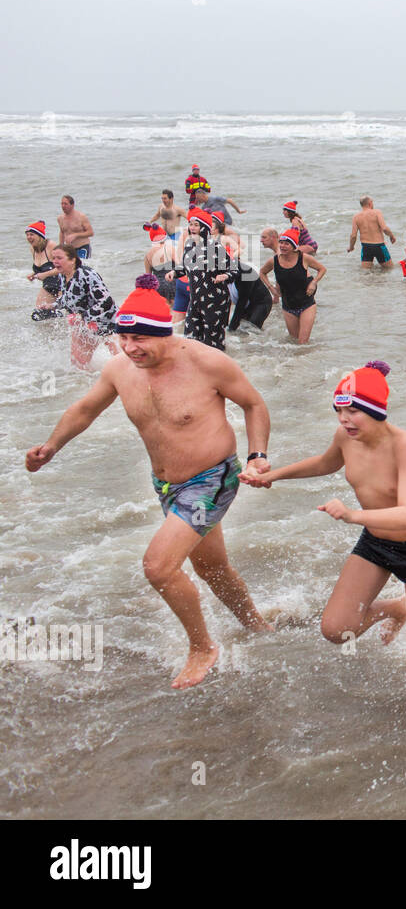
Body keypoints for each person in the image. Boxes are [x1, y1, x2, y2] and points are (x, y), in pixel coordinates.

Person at [26, 274, 274, 688]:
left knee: (158, 568)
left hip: (213, 477)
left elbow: (253, 403)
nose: (130, 348)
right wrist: (52, 446)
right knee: (212, 567)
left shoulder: (205, 362)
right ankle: (256, 626)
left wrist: (258, 456)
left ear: (165, 334)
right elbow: (85, 409)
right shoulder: (121, 369)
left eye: (140, 339)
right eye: (124, 338)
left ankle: (202, 647)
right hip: (167, 485)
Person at [238, 361, 406, 679]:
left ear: (377, 410)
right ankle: (397, 608)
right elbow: (324, 463)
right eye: (339, 411)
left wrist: (352, 515)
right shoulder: (345, 436)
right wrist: (272, 476)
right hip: (376, 542)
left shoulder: (404, 445)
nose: (344, 420)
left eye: (353, 411)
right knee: (337, 629)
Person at [48, 245, 121, 367]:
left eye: (59, 258)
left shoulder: (87, 275)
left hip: (107, 322)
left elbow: (107, 302)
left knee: (121, 361)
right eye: (53, 258)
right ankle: (89, 384)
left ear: (73, 260)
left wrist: (83, 316)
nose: (55, 261)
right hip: (85, 325)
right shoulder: (62, 275)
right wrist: (52, 306)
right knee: (78, 364)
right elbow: (67, 298)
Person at [179, 209, 236, 351]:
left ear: (204, 228)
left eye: (196, 225)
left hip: (215, 302)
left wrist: (225, 276)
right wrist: (174, 273)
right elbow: (186, 268)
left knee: (213, 347)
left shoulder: (215, 247)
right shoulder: (188, 246)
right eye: (190, 224)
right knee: (190, 342)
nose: (192, 228)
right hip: (195, 302)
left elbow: (234, 270)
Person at [256, 228, 326, 344]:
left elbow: (322, 269)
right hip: (288, 307)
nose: (282, 246)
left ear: (294, 246)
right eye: (281, 243)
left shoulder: (304, 258)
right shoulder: (274, 260)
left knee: (302, 343)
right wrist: (271, 288)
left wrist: (314, 282)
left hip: (306, 304)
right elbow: (262, 272)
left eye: (286, 244)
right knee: (293, 343)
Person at [348, 196, 397, 269]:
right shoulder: (377, 212)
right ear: (370, 203)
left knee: (366, 272)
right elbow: (384, 228)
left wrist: (351, 247)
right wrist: (392, 236)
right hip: (379, 246)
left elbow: (353, 236)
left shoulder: (356, 217)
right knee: (390, 269)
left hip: (366, 247)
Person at [25, 220, 62, 314]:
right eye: (27, 234)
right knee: (38, 314)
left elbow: (64, 267)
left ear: (40, 236)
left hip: (62, 285)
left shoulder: (51, 246)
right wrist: (34, 274)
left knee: (64, 314)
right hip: (48, 285)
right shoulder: (32, 249)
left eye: (32, 234)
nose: (29, 237)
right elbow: (43, 268)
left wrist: (44, 274)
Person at [57, 194, 94, 260]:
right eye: (62, 204)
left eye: (65, 204)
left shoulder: (81, 217)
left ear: (72, 205)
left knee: (82, 267)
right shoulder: (60, 218)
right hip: (70, 249)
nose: (63, 206)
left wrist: (75, 235)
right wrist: (61, 246)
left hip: (83, 247)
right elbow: (62, 232)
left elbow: (91, 233)